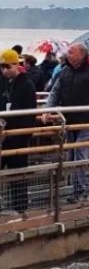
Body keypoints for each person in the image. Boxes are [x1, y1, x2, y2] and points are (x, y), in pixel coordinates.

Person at [44, 43, 89, 203]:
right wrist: (47, 109)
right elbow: (55, 92)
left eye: (71, 52)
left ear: (81, 55)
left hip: (88, 119)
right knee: (71, 154)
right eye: (68, 52)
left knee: (80, 152)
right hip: (70, 119)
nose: (68, 55)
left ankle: (80, 190)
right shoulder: (64, 71)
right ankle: (77, 188)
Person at [0, 49, 37, 214]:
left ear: (16, 65)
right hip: (3, 135)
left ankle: (20, 208)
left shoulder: (27, 84)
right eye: (2, 67)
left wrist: (23, 135)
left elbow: (30, 113)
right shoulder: (2, 82)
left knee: (19, 175)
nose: (4, 70)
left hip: (18, 136)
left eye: (7, 66)